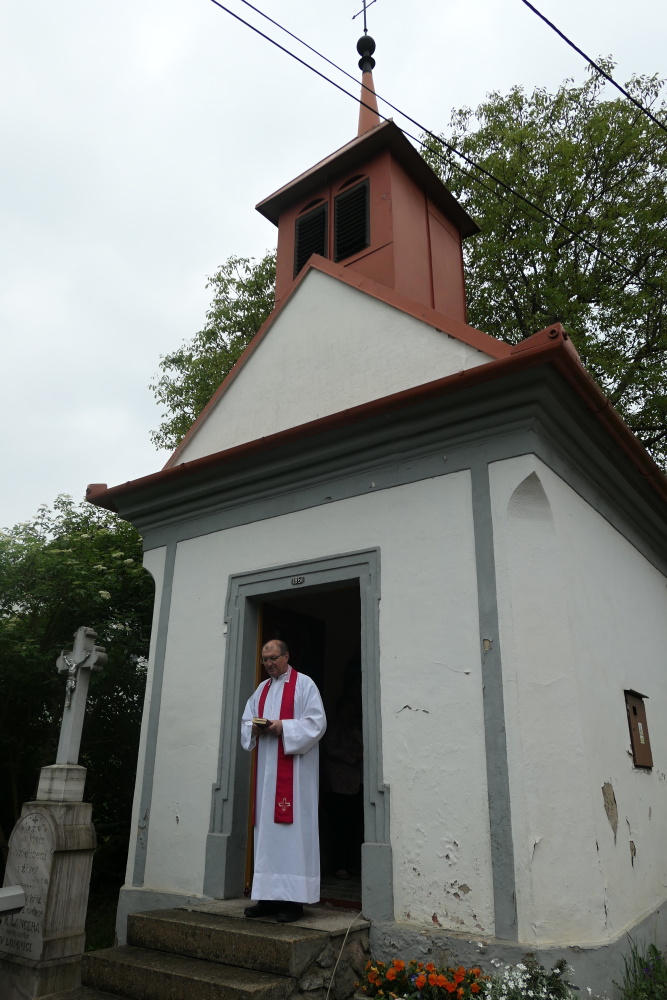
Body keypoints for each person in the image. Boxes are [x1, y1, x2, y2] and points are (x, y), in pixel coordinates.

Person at [241, 639, 326, 922]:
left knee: (292, 836)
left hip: (295, 776)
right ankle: (267, 898)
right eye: (265, 660)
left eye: (274, 658)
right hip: (267, 778)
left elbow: (317, 723)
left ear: (287, 657)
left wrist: (283, 727)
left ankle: (293, 902)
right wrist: (255, 728)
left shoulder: (305, 685)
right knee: (267, 834)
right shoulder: (262, 689)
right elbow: (246, 721)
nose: (269, 664)